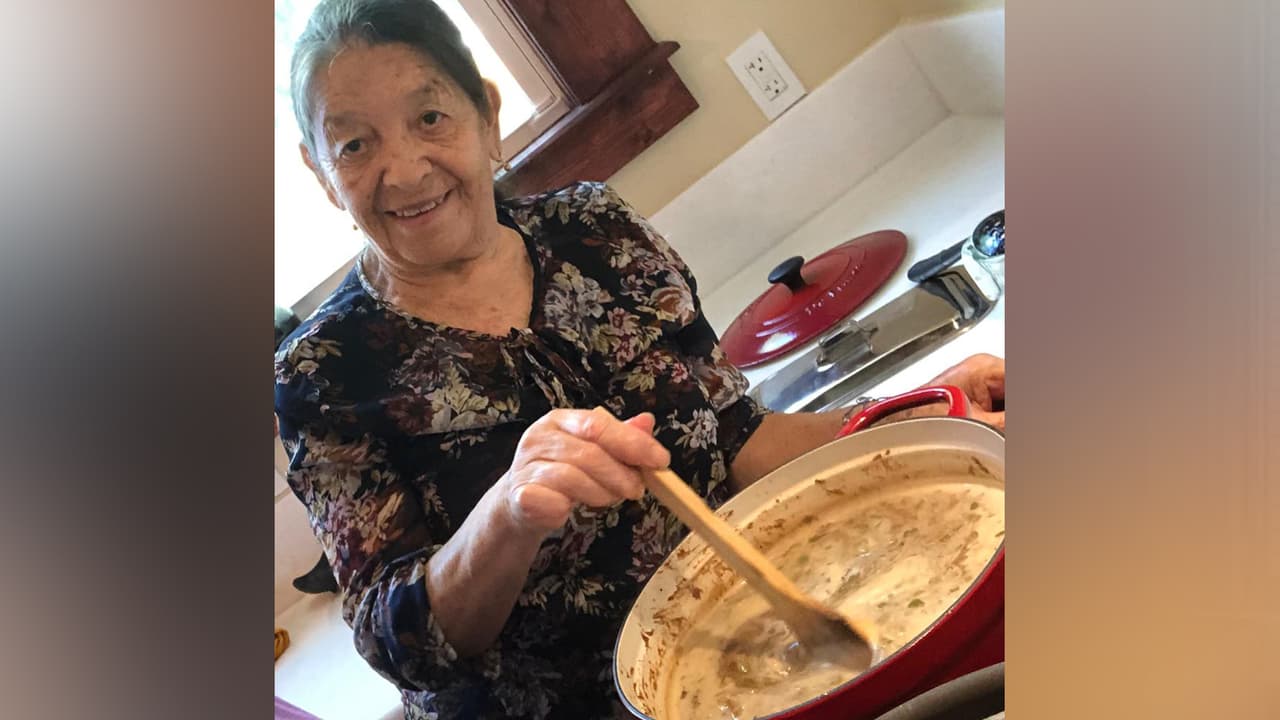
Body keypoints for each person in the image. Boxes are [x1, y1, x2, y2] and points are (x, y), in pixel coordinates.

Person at [273, 1, 1006, 718]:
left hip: (748, 652)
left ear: (487, 115)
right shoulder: (322, 374)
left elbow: (737, 439)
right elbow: (400, 647)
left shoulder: (596, 228)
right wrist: (507, 514)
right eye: (354, 145)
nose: (402, 172)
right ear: (319, 172)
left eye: (430, 118)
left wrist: (919, 415)